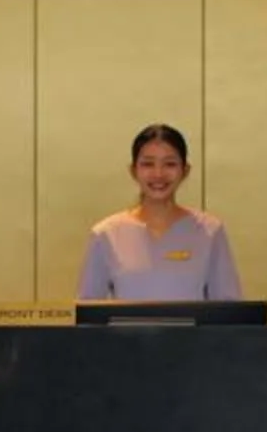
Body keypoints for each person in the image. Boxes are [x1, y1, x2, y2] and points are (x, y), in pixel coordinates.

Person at [77, 123, 243, 301]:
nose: (158, 174)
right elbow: (87, 313)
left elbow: (228, 309)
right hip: (127, 331)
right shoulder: (106, 234)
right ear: (133, 171)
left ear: (185, 171)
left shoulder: (210, 231)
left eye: (170, 164)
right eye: (148, 164)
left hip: (192, 331)